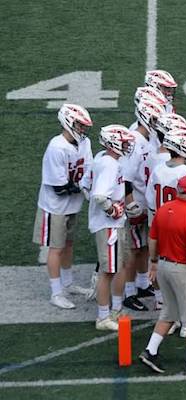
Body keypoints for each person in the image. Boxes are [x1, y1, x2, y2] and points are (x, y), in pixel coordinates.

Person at [139, 175, 186, 375]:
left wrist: (154, 263)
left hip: (163, 266)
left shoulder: (164, 209)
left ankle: (150, 350)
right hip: (181, 269)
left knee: (170, 311)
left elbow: (152, 239)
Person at [33, 104, 94, 309]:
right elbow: (59, 187)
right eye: (79, 125)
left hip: (72, 206)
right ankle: (56, 292)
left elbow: (89, 171)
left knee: (68, 245)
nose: (82, 129)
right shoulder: (56, 147)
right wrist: (84, 189)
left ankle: (67, 284)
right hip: (55, 206)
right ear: (68, 122)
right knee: (56, 248)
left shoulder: (85, 143)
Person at [88, 125, 135, 331]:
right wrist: (112, 210)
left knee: (121, 266)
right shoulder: (109, 164)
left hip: (114, 224)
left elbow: (85, 184)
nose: (127, 146)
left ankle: (115, 309)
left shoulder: (104, 159)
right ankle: (103, 316)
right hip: (108, 226)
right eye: (124, 143)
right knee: (108, 272)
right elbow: (99, 196)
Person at [121, 98, 165, 312]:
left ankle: (141, 283)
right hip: (136, 201)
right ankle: (128, 292)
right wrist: (130, 204)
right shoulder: (136, 141)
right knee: (133, 249)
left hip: (145, 200)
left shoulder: (149, 137)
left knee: (145, 246)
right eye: (155, 118)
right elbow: (125, 178)